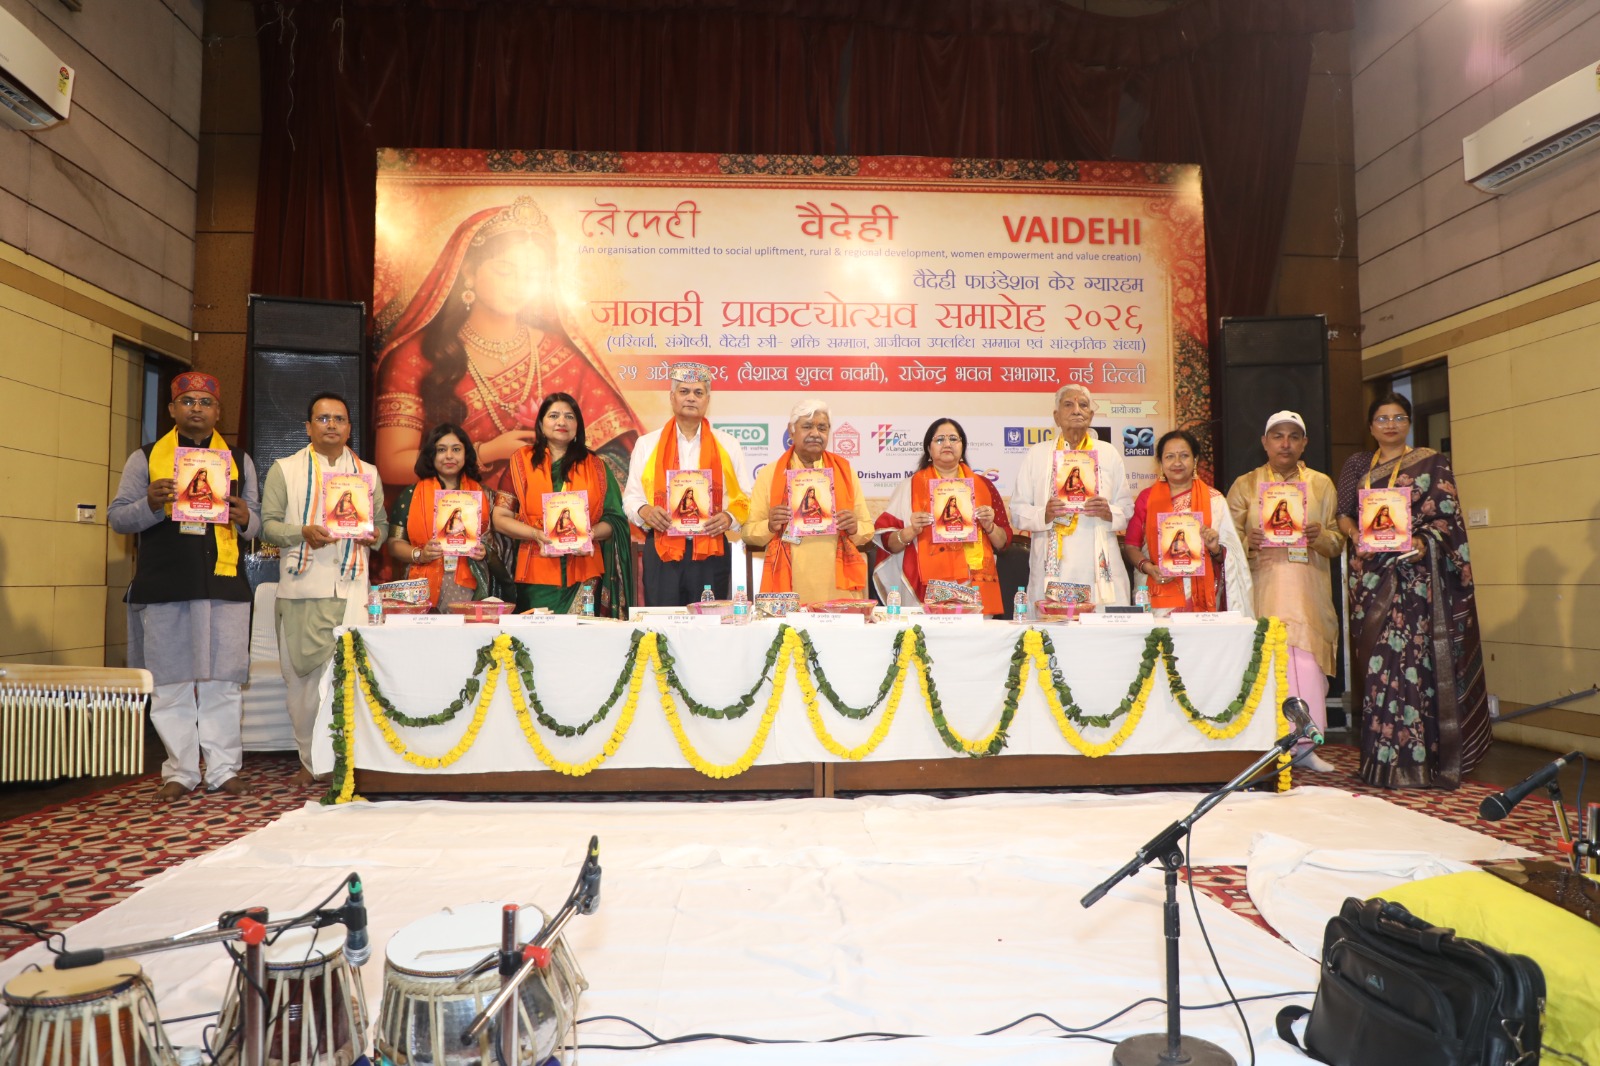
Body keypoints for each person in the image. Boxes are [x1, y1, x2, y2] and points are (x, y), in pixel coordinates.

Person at [374, 196, 641, 495]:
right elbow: (391, 463)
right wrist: (485, 452)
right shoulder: (417, 356)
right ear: (468, 271)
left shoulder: (563, 355)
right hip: (456, 514)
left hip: (550, 512)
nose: (519, 285)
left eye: (532, 275)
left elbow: (617, 455)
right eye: (505, 271)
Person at [108, 371, 260, 801]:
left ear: (218, 411)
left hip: (223, 586)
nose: (197, 408)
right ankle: (179, 771)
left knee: (222, 684)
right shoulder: (144, 459)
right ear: (172, 409)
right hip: (164, 586)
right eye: (188, 401)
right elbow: (118, 517)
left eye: (205, 402)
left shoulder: (238, 459)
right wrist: (150, 503)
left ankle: (223, 770)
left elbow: (257, 522)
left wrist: (245, 518)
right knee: (170, 684)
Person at [1337, 392, 1490, 789]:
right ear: (1370, 427)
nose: (1390, 425)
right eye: (1382, 418)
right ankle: (1379, 762)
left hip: (1416, 580)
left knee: (1414, 666)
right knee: (1378, 670)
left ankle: (1420, 762)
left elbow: (1447, 519)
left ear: (1408, 423)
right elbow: (1344, 515)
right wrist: (1355, 536)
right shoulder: (1359, 465)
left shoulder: (1432, 462)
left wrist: (1424, 541)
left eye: (1398, 417)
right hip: (1372, 579)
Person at [262, 392, 388, 784]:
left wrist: (374, 536)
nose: (331, 425)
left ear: (349, 428)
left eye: (339, 419)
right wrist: (301, 532)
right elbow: (268, 526)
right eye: (323, 418)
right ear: (308, 427)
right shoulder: (285, 470)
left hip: (352, 590)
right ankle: (309, 760)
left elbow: (382, 525)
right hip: (303, 589)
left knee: (349, 679)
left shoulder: (368, 473)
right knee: (302, 685)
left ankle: (345, 760)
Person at [1226, 411, 1342, 771]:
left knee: (1306, 668)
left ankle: (1306, 747)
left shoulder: (1321, 484)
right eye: (1278, 436)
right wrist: (1248, 541)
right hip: (1264, 591)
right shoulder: (1245, 485)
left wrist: (1319, 536)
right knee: (1269, 664)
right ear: (1265, 442)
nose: (1285, 444)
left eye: (1294, 436)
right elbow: (1225, 542)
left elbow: (1337, 541)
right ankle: (1269, 743)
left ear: (1304, 443)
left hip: (1308, 593)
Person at [623, 363, 750, 605]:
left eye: (698, 392)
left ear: (707, 400)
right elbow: (631, 498)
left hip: (711, 549)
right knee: (661, 623)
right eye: (684, 391)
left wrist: (729, 517)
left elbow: (744, 496)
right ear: (672, 397)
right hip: (662, 548)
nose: (691, 398)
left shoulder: (728, 444)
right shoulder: (647, 444)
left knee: (709, 622)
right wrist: (645, 511)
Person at [493, 393, 631, 614]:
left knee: (580, 633)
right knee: (539, 633)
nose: (561, 422)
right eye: (553, 415)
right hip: (536, 572)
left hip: (585, 572)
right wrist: (536, 534)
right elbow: (500, 518)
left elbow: (614, 519)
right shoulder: (520, 463)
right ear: (541, 423)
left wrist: (590, 534)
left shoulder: (597, 467)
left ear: (578, 425)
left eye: (569, 416)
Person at [1011, 384, 1132, 608]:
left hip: (1098, 563)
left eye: (1083, 405)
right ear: (1056, 417)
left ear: (1091, 416)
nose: (1077, 410)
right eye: (1068, 405)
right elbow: (1018, 511)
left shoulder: (1108, 453)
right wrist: (1044, 514)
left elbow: (1126, 509)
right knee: (1053, 625)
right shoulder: (1037, 454)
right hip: (1053, 565)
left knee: (1102, 624)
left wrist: (1109, 512)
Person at [875, 419, 1013, 615]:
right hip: (926, 587)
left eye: (953, 439)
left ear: (962, 446)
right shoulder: (909, 487)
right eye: (940, 439)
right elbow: (888, 543)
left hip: (974, 586)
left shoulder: (984, 486)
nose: (947, 444)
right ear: (928, 449)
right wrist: (911, 531)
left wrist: (990, 526)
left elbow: (1003, 543)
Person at [745, 399, 874, 605]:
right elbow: (748, 533)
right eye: (807, 427)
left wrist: (854, 527)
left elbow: (867, 529)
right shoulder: (770, 474)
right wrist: (769, 525)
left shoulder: (845, 472)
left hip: (838, 585)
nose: (815, 433)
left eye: (822, 428)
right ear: (791, 431)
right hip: (790, 585)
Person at [1122, 429, 1251, 614]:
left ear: (1195, 460)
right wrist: (1148, 567)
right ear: (1160, 462)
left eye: (1184, 456)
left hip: (1202, 596)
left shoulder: (1215, 500)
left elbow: (1231, 556)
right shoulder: (1147, 498)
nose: (1177, 463)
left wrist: (1215, 548)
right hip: (1157, 593)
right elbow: (1131, 546)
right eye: (1170, 457)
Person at [387, 423, 494, 610]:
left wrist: (484, 552)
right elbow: (394, 544)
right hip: (421, 586)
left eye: (456, 449)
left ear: (466, 454)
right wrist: (420, 554)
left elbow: (493, 542)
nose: (449, 456)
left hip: (468, 586)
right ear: (431, 454)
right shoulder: (411, 495)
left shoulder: (482, 495)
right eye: (441, 450)